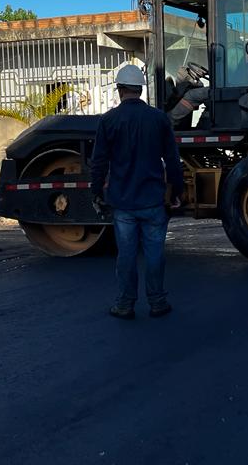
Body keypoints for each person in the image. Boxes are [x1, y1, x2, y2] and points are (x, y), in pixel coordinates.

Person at [90, 64, 185, 320]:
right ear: (140, 90)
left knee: (127, 255)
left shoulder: (108, 120)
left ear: (120, 89)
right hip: (153, 200)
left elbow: (98, 162)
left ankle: (124, 304)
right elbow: (173, 160)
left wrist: (96, 191)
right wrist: (178, 190)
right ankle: (157, 302)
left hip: (123, 202)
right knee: (155, 254)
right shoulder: (159, 118)